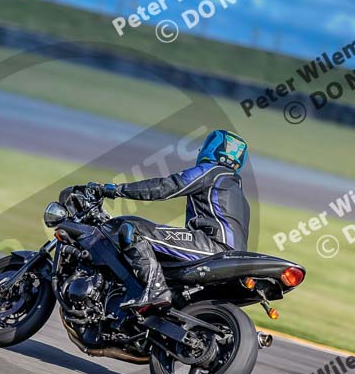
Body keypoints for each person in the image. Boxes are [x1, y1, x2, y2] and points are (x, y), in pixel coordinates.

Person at [86, 130, 251, 308]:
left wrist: (114, 190)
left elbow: (166, 187)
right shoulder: (238, 192)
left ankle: (155, 289)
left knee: (131, 229)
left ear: (213, 148)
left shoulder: (211, 172)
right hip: (231, 257)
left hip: (211, 247)